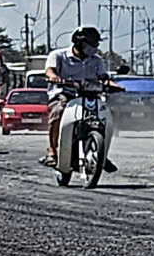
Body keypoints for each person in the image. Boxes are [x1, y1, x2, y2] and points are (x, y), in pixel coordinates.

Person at [43, 27, 115, 172]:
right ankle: (52, 150)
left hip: (89, 95)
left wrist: (116, 86)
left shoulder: (97, 60)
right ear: (78, 43)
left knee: (105, 118)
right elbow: (49, 70)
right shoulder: (58, 55)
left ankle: (101, 154)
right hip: (64, 94)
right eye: (90, 45)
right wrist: (53, 77)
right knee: (58, 111)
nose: (93, 49)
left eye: (95, 45)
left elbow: (104, 78)